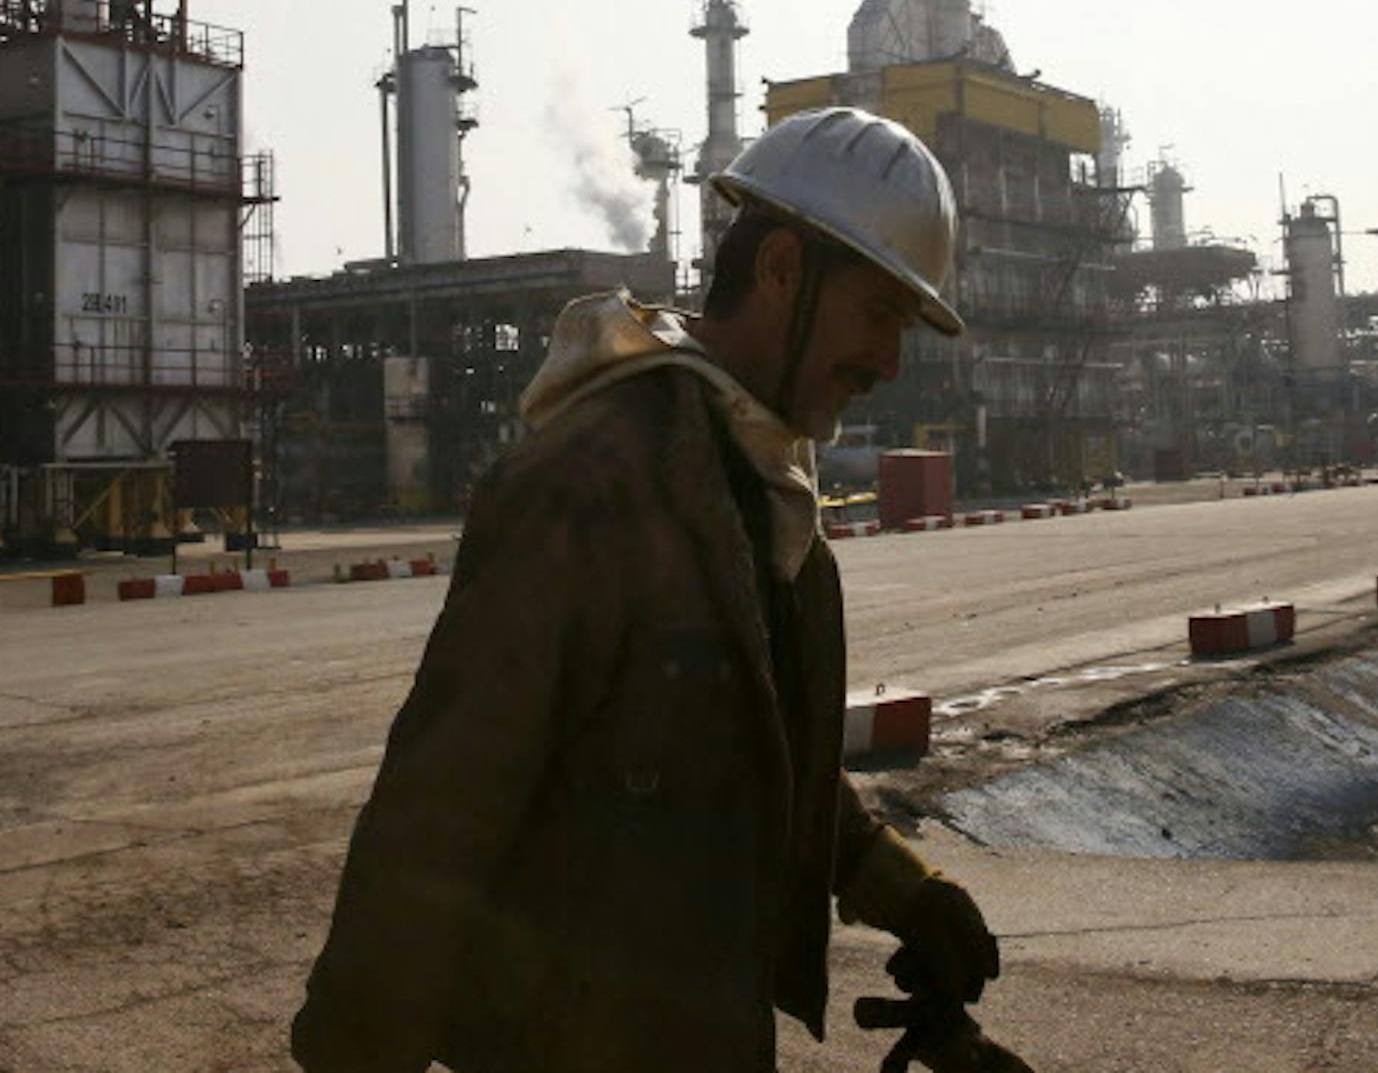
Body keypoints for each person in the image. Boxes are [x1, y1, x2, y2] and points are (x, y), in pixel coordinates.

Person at [291, 106, 1002, 1073]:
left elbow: (750, 747)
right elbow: (441, 803)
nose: (888, 361)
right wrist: (356, 1052)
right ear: (783, 270)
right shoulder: (590, 483)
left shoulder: (763, 489)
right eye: (878, 314)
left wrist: (897, 883)